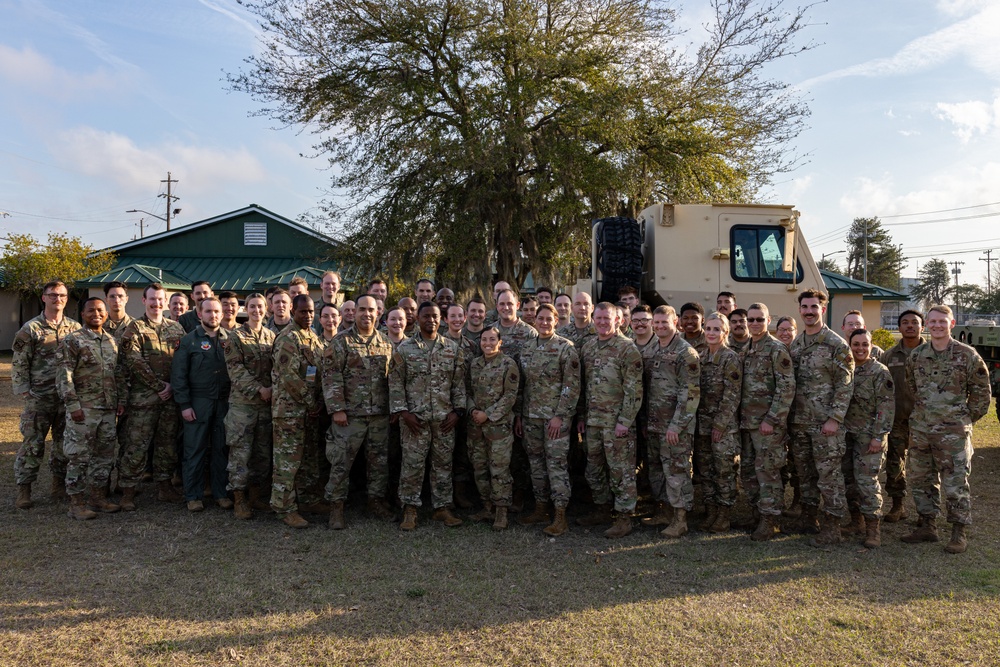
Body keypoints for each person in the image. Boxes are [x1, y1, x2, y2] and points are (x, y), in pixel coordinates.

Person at [902, 305, 991, 554]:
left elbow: (982, 394)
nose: (937, 325)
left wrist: (961, 419)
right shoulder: (917, 355)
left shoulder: (968, 355)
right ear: (927, 325)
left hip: (953, 431)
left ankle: (958, 532)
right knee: (920, 479)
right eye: (933, 322)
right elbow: (912, 386)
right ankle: (927, 525)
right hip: (921, 428)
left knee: (955, 482)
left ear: (952, 324)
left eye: (943, 321)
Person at [389, 301, 467, 530]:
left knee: (443, 464)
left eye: (434, 316)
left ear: (440, 319)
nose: (431, 320)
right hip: (416, 420)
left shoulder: (452, 349)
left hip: (444, 419)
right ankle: (410, 509)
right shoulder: (405, 349)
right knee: (412, 464)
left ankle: (442, 508)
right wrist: (403, 412)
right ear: (418, 318)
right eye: (426, 316)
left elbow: (458, 384)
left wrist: (457, 411)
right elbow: (395, 383)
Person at [323, 295, 395, 528]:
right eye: (361, 309)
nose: (366, 314)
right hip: (349, 415)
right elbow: (331, 375)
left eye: (370, 310)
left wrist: (393, 408)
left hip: (379, 415)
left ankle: (375, 501)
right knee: (341, 462)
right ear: (354, 312)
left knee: (379, 463)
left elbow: (391, 379)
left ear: (378, 313)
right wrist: (337, 409)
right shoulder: (341, 341)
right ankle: (336, 507)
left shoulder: (385, 343)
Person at [788, 289, 854, 546]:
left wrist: (835, 419)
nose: (808, 311)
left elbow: (845, 384)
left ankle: (832, 527)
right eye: (804, 307)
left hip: (826, 425)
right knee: (805, 475)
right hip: (800, 422)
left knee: (829, 477)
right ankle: (808, 519)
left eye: (814, 307)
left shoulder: (836, 344)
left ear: (822, 309)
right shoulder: (796, 344)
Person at [12, 280, 81, 509]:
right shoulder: (30, 329)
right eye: (52, 295)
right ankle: (25, 489)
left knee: (63, 443)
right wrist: (24, 391)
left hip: (66, 397)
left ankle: (58, 484)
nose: (57, 299)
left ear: (66, 298)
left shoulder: (75, 328)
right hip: (39, 397)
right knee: (33, 444)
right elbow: (20, 363)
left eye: (61, 295)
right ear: (44, 298)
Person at [576, 302, 644, 538]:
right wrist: (583, 416)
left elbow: (634, 390)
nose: (603, 322)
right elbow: (584, 387)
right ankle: (602, 509)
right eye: (599, 318)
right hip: (593, 422)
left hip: (616, 424)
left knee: (621, 471)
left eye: (607, 318)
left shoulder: (627, 349)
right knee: (593, 469)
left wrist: (625, 421)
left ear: (618, 321)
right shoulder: (588, 347)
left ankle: (624, 518)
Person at [116, 283, 186, 510]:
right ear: (144, 301)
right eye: (152, 299)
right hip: (143, 399)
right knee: (136, 445)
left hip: (170, 399)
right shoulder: (134, 329)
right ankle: (128, 490)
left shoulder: (176, 329)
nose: (157, 303)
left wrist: (173, 387)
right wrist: (158, 386)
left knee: (167, 444)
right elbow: (133, 361)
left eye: (160, 299)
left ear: (165, 302)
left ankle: (165, 487)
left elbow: (184, 362)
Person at [515, 304, 580, 536]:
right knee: (536, 464)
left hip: (555, 418)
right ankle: (540, 508)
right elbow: (522, 385)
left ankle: (560, 515)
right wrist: (521, 415)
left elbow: (571, 387)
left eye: (548, 319)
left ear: (556, 320)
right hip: (531, 416)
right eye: (540, 318)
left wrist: (560, 416)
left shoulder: (565, 348)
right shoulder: (526, 348)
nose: (543, 322)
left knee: (556, 465)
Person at [56, 297, 123, 519]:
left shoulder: (111, 341)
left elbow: (117, 374)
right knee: (79, 456)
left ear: (106, 314)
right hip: (84, 409)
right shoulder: (73, 340)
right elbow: (64, 376)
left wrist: (119, 401)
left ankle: (98, 498)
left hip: (107, 408)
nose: (96, 314)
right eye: (91, 310)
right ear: (82, 314)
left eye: (100, 310)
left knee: (104, 456)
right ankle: (76, 504)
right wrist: (73, 405)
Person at [639, 305, 700, 538]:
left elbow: (691, 393)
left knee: (677, 471)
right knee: (657, 471)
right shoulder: (653, 349)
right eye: (658, 322)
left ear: (676, 322)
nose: (660, 326)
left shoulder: (686, 353)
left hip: (675, 427)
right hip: (654, 424)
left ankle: (680, 519)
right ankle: (664, 511)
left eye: (665, 322)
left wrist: (677, 425)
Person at [739, 302, 795, 541]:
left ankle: (770, 520)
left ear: (768, 320)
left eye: (759, 319)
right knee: (749, 471)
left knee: (768, 473)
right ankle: (756, 513)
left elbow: (787, 387)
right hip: (748, 424)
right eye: (750, 320)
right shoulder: (746, 350)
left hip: (767, 426)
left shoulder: (776, 349)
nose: (754, 324)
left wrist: (772, 419)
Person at [270, 295, 325, 528]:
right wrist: (311, 402)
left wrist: (315, 399)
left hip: (307, 410)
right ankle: (284, 508)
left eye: (311, 312)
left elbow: (312, 372)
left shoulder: (312, 337)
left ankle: (310, 500)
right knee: (287, 461)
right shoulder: (288, 338)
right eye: (303, 312)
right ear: (293, 311)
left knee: (308, 459)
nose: (308, 316)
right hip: (290, 411)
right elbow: (289, 377)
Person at [172, 297, 231, 512]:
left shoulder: (230, 339)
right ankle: (193, 495)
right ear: (199, 314)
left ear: (221, 314)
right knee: (194, 450)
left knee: (221, 449)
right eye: (208, 311)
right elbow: (178, 376)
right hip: (198, 402)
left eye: (216, 311)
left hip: (223, 403)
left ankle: (221, 493)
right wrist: (185, 405)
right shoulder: (188, 341)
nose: (213, 315)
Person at [223, 292, 275, 519]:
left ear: (266, 309)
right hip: (243, 406)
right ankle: (239, 500)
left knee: (262, 454)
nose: (256, 310)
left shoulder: (271, 337)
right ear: (247, 310)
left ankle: (256, 496)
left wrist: (273, 389)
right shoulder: (236, 337)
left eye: (260, 306)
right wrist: (259, 389)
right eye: (252, 306)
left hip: (266, 406)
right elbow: (235, 369)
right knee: (240, 454)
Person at [842, 328, 894, 548]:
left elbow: (886, 406)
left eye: (865, 344)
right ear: (849, 344)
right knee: (849, 481)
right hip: (846, 435)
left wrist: (878, 436)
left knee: (867, 482)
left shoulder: (879, 372)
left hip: (869, 437)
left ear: (872, 346)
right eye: (856, 344)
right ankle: (856, 521)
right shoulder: (845, 369)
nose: (860, 348)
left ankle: (873, 529)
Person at [692, 312, 741, 533]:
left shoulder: (730, 358)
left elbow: (733, 395)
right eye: (708, 329)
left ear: (725, 332)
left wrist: (720, 425)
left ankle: (724, 514)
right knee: (705, 469)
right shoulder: (699, 356)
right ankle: (710, 510)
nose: (711, 333)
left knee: (723, 470)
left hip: (722, 427)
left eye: (717, 329)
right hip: (701, 425)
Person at [466, 327, 520, 530]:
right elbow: (468, 390)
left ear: (500, 342)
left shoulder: (508, 364)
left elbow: (510, 396)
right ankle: (487, 507)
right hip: (476, 425)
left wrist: (487, 414)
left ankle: (501, 511)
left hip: (498, 426)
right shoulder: (475, 364)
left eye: (492, 339)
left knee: (499, 470)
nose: (487, 343)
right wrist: (472, 410)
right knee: (479, 467)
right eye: (484, 340)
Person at [881, 309, 924, 523]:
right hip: (896, 420)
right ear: (898, 328)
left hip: (924, 422)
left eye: (914, 322)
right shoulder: (889, 356)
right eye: (905, 322)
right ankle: (898, 505)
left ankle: (926, 513)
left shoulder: (931, 353)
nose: (909, 325)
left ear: (921, 327)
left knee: (924, 467)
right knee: (894, 464)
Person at [495, 289, 538, 363]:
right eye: (502, 304)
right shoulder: (490, 331)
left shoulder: (530, 333)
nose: (506, 307)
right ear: (497, 306)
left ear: (517, 305)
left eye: (510, 304)